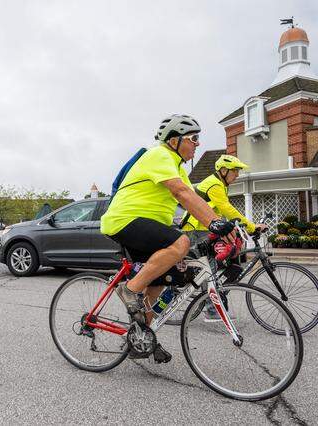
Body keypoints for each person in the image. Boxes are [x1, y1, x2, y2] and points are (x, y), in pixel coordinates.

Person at [100, 114, 237, 363]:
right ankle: (128, 290)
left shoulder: (176, 167)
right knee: (180, 243)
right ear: (174, 141)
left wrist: (223, 224)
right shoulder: (159, 155)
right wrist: (213, 223)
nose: (197, 143)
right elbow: (181, 193)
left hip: (146, 224)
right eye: (193, 138)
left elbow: (195, 200)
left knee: (158, 283)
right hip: (124, 219)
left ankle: (141, 338)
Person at [180, 154, 267, 321]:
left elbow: (219, 212)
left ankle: (216, 294)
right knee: (210, 268)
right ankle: (212, 309)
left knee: (228, 261)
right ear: (224, 170)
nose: (237, 175)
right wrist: (251, 226)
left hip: (205, 228)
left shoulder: (220, 184)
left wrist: (236, 226)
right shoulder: (214, 184)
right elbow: (226, 208)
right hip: (196, 229)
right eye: (235, 171)